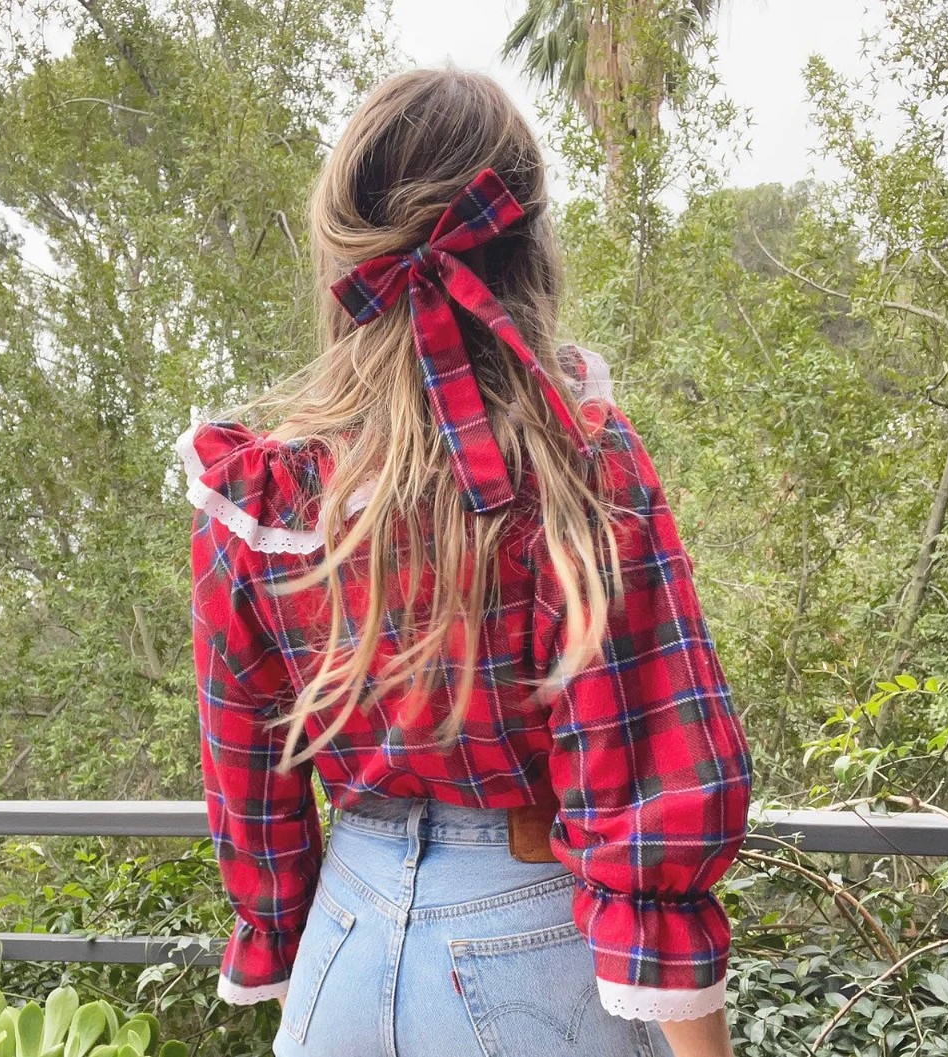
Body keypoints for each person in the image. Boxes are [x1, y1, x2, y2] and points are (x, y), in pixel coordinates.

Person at [176, 66, 753, 1057]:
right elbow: (651, 782)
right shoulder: (574, 471)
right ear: (528, 246)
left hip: (339, 957)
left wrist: (307, 975)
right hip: (532, 951)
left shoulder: (262, 497)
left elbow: (248, 782)